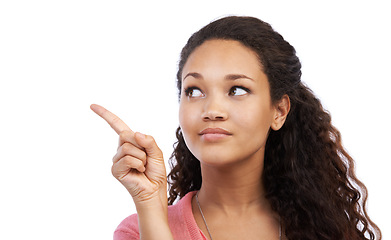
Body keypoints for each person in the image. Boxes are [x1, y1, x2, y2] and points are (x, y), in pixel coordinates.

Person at [91, 16, 382, 240]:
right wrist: (150, 208)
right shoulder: (140, 230)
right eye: (194, 91)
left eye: (237, 90)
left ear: (278, 111)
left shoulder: (326, 229)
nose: (212, 110)